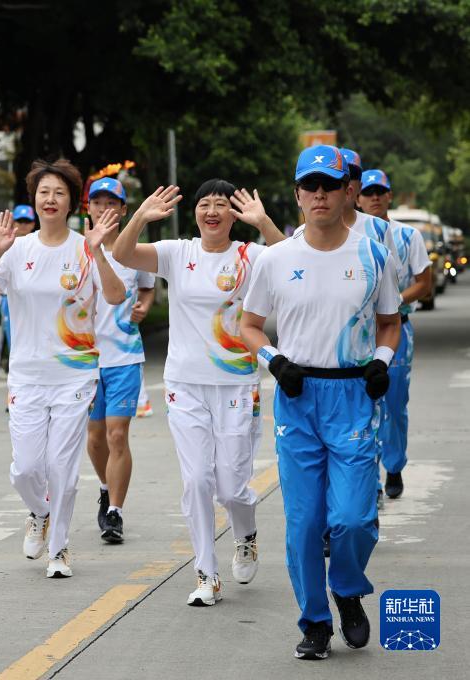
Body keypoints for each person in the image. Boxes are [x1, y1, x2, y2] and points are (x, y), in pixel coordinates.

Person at [241, 144, 401, 660]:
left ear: (346, 191)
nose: (320, 194)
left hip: (354, 396)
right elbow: (246, 326)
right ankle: (314, 620)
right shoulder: (275, 258)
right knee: (305, 523)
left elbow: (390, 323)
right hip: (297, 396)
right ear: (297, 194)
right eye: (310, 186)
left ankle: (348, 589)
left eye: (329, 185)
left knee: (352, 518)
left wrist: (380, 360)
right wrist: (273, 361)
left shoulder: (374, 255)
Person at [112, 179, 286, 605]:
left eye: (221, 205)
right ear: (194, 213)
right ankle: (205, 573)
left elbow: (292, 263)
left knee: (231, 487)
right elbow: (121, 254)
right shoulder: (178, 252)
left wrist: (263, 222)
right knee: (195, 480)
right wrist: (140, 216)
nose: (212, 211)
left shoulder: (250, 256)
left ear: (233, 215)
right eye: (204, 204)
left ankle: (245, 534)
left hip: (237, 384)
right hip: (185, 384)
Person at [0, 159, 124, 579]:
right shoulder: (17, 249)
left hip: (75, 373)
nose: (50, 199)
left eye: (59, 192)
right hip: (28, 375)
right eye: (43, 192)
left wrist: (98, 254)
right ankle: (39, 511)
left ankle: (60, 549)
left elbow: (115, 294)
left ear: (72, 202)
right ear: (33, 199)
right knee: (26, 468)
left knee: (62, 469)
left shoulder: (85, 248)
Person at [83, 178, 155, 543]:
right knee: (94, 439)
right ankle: (104, 487)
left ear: (124, 210)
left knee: (116, 436)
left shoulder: (132, 252)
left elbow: (147, 285)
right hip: (85, 360)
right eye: (98, 202)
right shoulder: (75, 250)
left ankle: (115, 512)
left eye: (113, 203)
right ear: (89, 208)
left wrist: (144, 305)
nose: (105, 208)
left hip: (125, 357)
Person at [356, 170, 431, 498]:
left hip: (396, 327)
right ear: (356, 196)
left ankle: (395, 465)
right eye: (367, 192)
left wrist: (393, 300)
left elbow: (425, 284)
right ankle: (368, 478)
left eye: (380, 192)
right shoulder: (349, 236)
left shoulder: (407, 236)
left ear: (389, 196)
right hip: (358, 332)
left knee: (394, 402)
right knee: (361, 404)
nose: (374, 197)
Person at [0, 204, 36, 379]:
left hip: (34, 301)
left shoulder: (38, 245)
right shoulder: (4, 246)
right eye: (20, 221)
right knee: (14, 342)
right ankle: (15, 391)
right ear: (13, 222)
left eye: (27, 221)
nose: (23, 225)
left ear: (32, 223)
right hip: (9, 301)